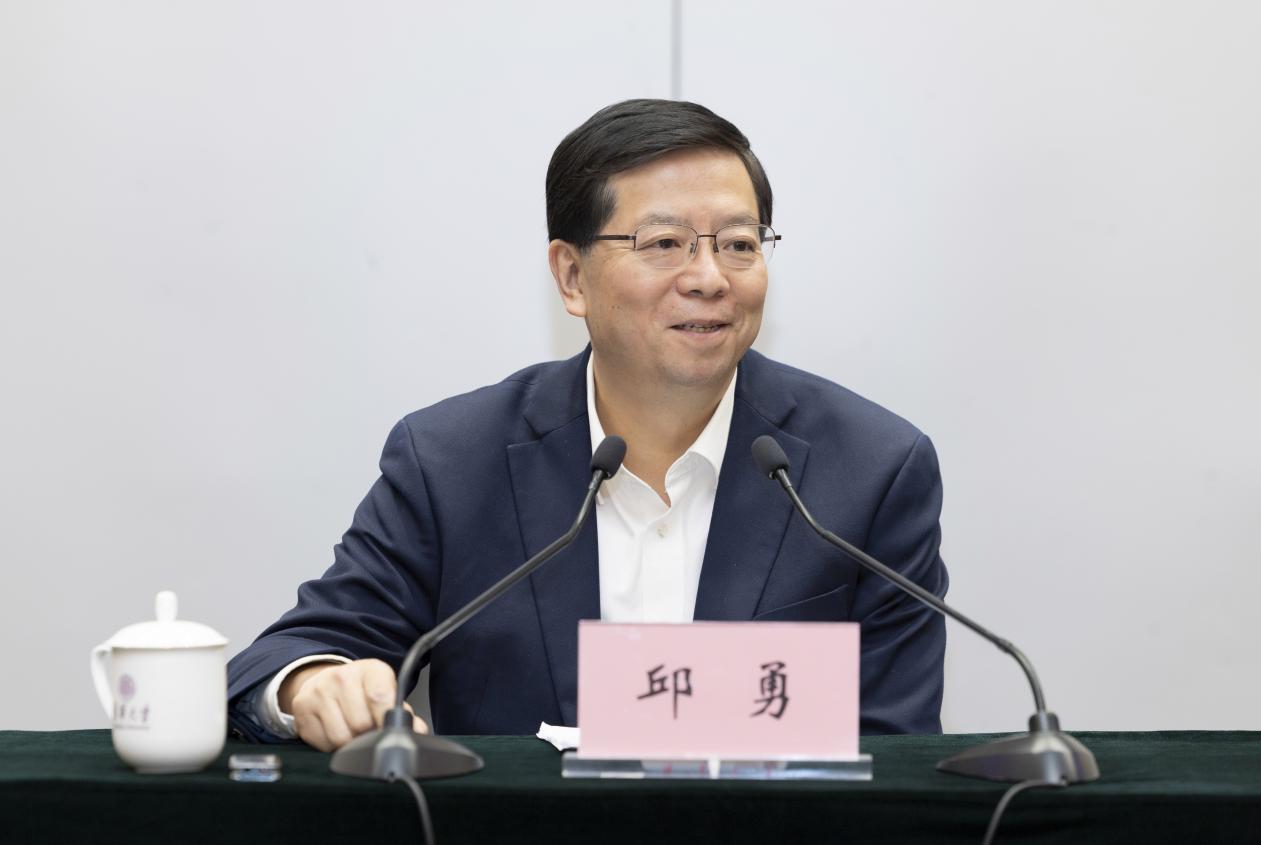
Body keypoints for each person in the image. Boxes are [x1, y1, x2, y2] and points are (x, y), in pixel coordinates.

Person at [227, 99, 949, 751]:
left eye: (738, 243)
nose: (709, 277)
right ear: (571, 277)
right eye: (664, 244)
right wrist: (314, 684)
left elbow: (897, 753)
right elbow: (293, 654)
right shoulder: (452, 461)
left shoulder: (872, 470)